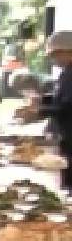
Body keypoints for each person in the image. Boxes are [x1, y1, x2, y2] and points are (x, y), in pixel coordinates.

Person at [18, 31, 72, 187]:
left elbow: (67, 106)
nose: (53, 59)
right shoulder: (66, 72)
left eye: (54, 54)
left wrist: (39, 110)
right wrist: (42, 99)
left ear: (66, 50)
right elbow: (61, 97)